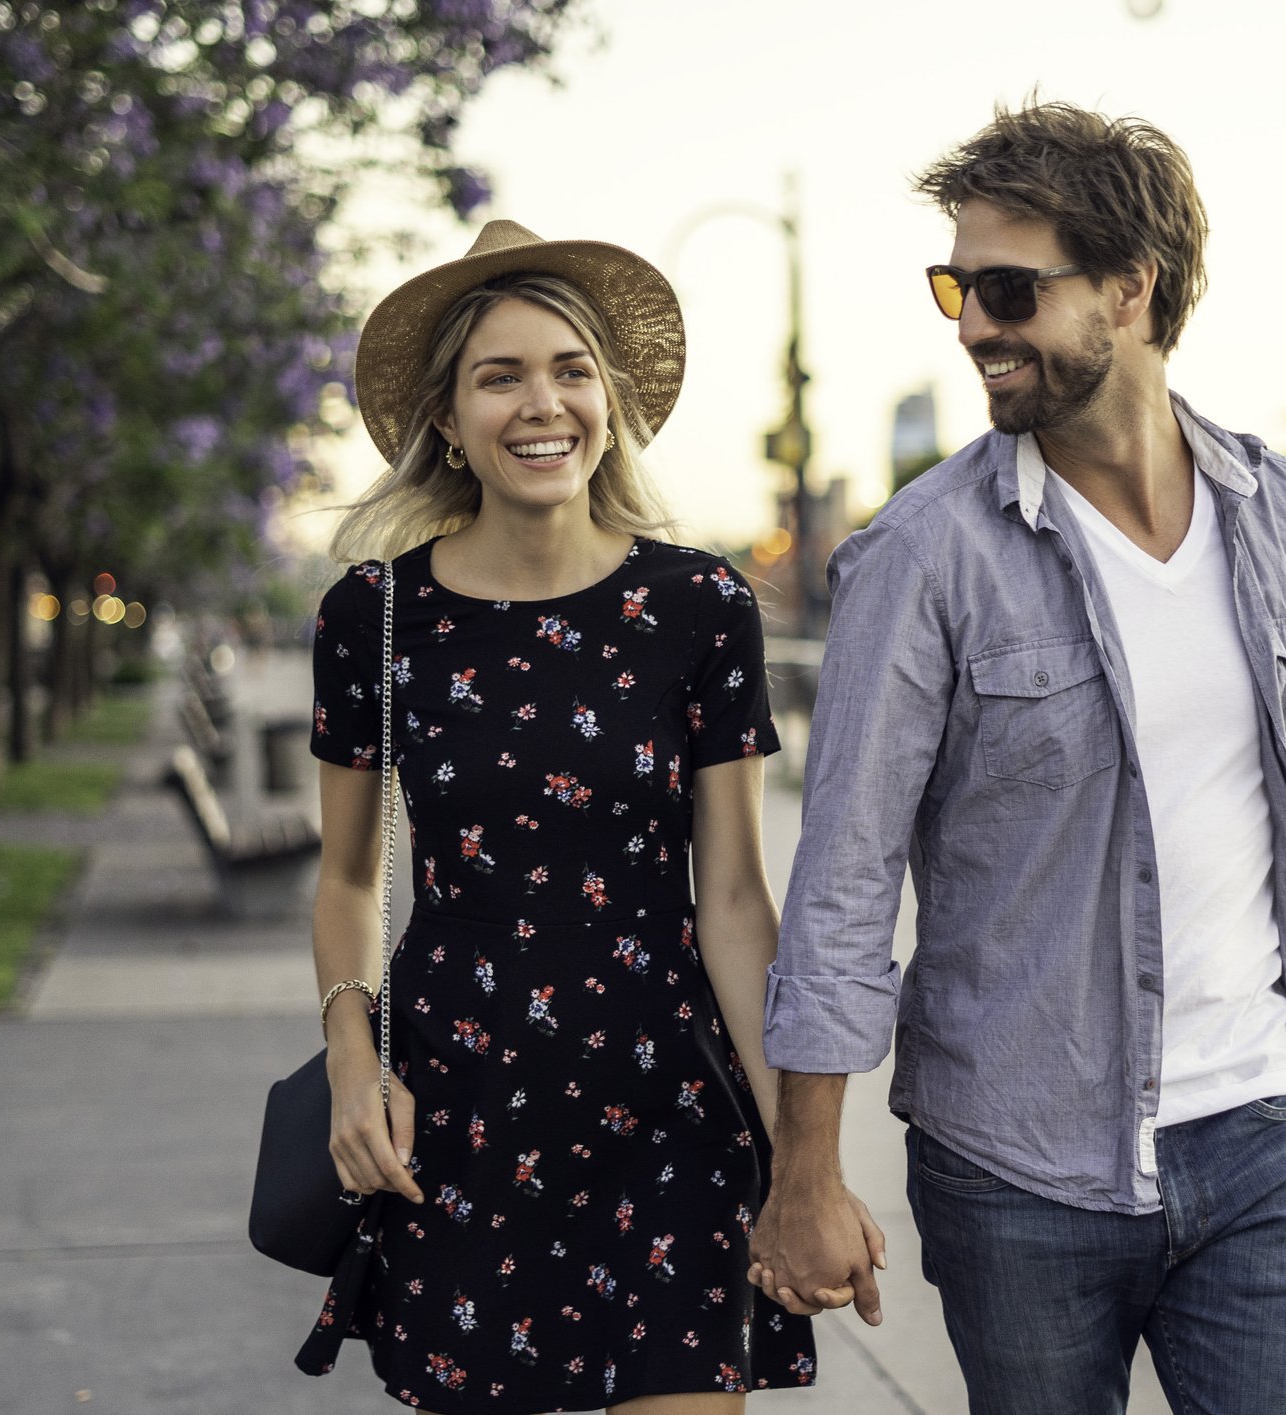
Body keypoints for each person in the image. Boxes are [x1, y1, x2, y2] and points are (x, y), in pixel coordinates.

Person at [748, 102, 1286, 1414]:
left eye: (1010, 288)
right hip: (1015, 1160)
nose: (971, 325)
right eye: (955, 287)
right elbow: (843, 882)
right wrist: (808, 1168)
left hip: (1260, 1129)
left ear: (1131, 288)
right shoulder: (920, 558)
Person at [301, 219, 840, 1413]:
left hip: (669, 1119)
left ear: (608, 398)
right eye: (500, 375)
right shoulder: (374, 616)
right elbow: (346, 877)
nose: (541, 403)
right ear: (447, 418)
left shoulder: (698, 605)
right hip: (454, 1111)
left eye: (570, 368)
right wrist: (352, 1061)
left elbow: (737, 901)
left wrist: (795, 1156)